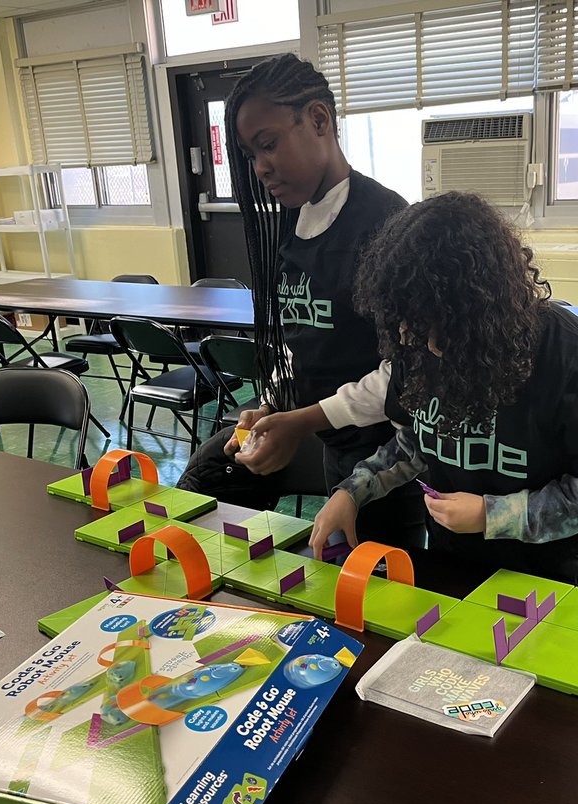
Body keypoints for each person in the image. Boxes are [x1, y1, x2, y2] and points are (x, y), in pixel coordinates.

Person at [309, 192, 578, 585]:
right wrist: (352, 492)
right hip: (453, 563)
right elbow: (417, 443)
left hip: (545, 577)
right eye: (406, 322)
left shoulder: (564, 350)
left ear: (476, 308)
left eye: (434, 324)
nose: (417, 340)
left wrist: (492, 515)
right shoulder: (416, 343)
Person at [176, 53, 423, 548]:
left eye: (268, 145)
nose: (260, 168)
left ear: (318, 120)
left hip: (394, 458)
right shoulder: (293, 220)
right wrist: (274, 404)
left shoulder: (388, 224)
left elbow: (410, 371)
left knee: (383, 586)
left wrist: (301, 421)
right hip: (334, 442)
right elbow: (300, 338)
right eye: (249, 154)